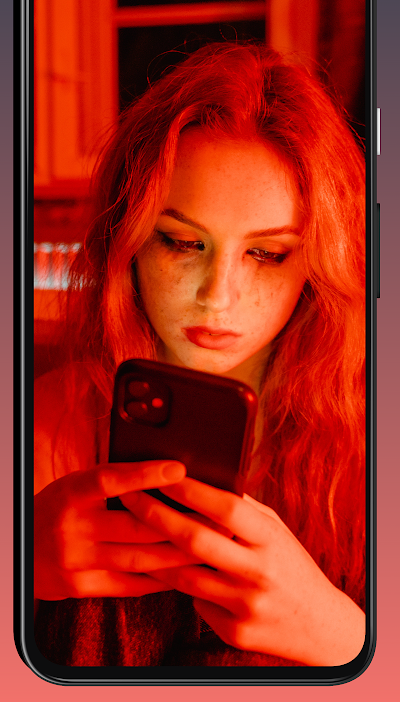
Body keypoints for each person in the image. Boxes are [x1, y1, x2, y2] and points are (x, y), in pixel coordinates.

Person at [34, 42, 366, 667]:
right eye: (182, 243)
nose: (218, 297)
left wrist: (344, 638)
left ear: (321, 265)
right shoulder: (49, 424)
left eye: (267, 254)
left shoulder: (370, 438)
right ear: (127, 241)